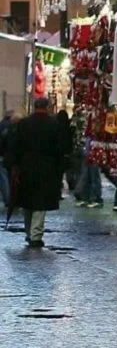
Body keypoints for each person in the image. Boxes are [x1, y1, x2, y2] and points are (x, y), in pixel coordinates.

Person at [11, 99, 63, 248]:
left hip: (26, 167)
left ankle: (29, 232)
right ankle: (36, 234)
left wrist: (15, 166)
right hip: (47, 168)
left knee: (27, 202)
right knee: (41, 203)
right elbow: (58, 149)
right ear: (47, 107)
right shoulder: (53, 125)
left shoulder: (23, 124)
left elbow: (16, 146)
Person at [55, 110, 74, 198]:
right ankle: (60, 191)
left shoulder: (55, 127)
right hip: (64, 155)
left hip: (55, 154)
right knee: (62, 174)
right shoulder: (68, 128)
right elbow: (69, 142)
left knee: (55, 175)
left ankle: (55, 192)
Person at [0, 110, 16, 207]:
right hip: (8, 156)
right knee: (6, 178)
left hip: (4, 155)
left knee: (4, 178)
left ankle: (8, 198)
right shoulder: (11, 127)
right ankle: (9, 199)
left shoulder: (1, 125)